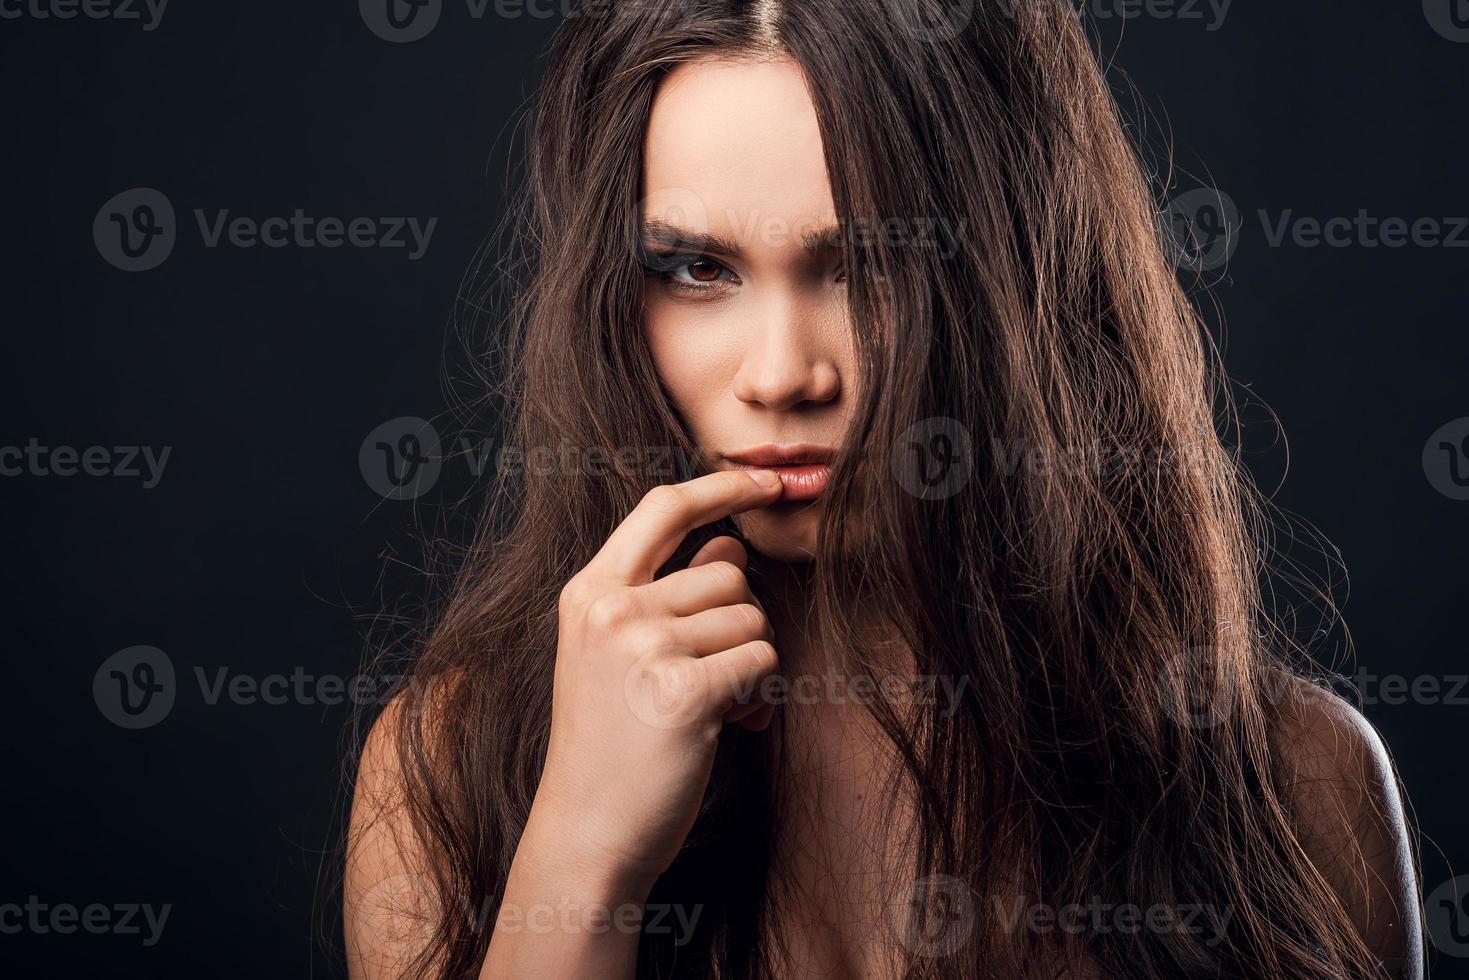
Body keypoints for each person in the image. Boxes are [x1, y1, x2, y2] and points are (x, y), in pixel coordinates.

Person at [344, 1, 1424, 977]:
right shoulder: (448, 771)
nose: (779, 374)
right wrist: (581, 859)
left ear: (1010, 269)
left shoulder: (1295, 787)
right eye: (694, 268)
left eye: (862, 266)